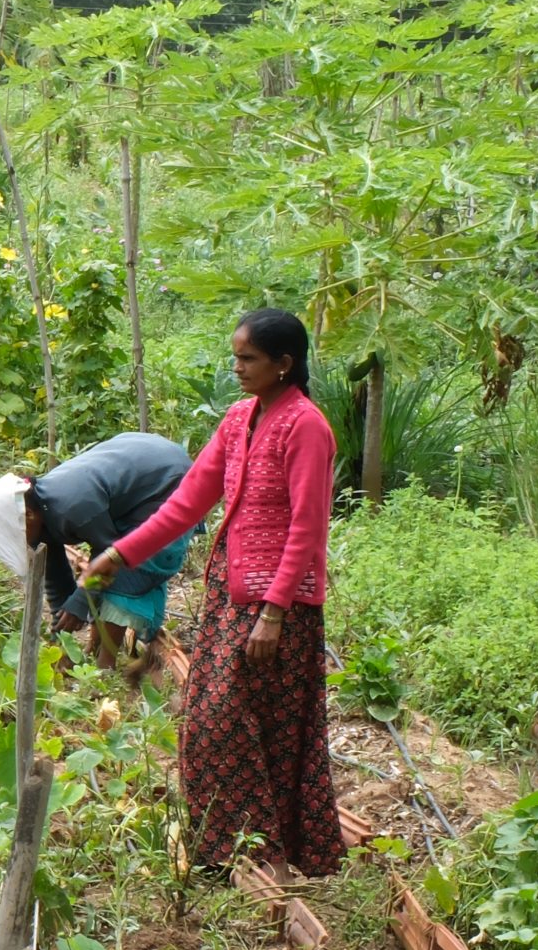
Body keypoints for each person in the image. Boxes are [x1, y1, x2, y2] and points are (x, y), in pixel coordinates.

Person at [84, 308, 345, 879]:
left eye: (249, 358)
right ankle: (236, 855)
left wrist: (274, 611)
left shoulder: (306, 426)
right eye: (236, 357)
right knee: (220, 720)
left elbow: (308, 527)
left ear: (284, 363)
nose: (237, 368)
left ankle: (267, 856)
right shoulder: (238, 419)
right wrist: (119, 554)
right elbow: (186, 504)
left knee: (249, 724)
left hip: (279, 605)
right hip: (229, 596)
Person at [0, 431, 195, 666]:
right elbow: (56, 578)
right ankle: (93, 650)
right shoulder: (43, 509)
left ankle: (104, 667)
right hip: (141, 471)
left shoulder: (71, 506)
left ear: (29, 516)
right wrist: (61, 635)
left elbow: (111, 557)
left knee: (127, 572)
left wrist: (82, 601)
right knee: (94, 586)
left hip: (166, 481)